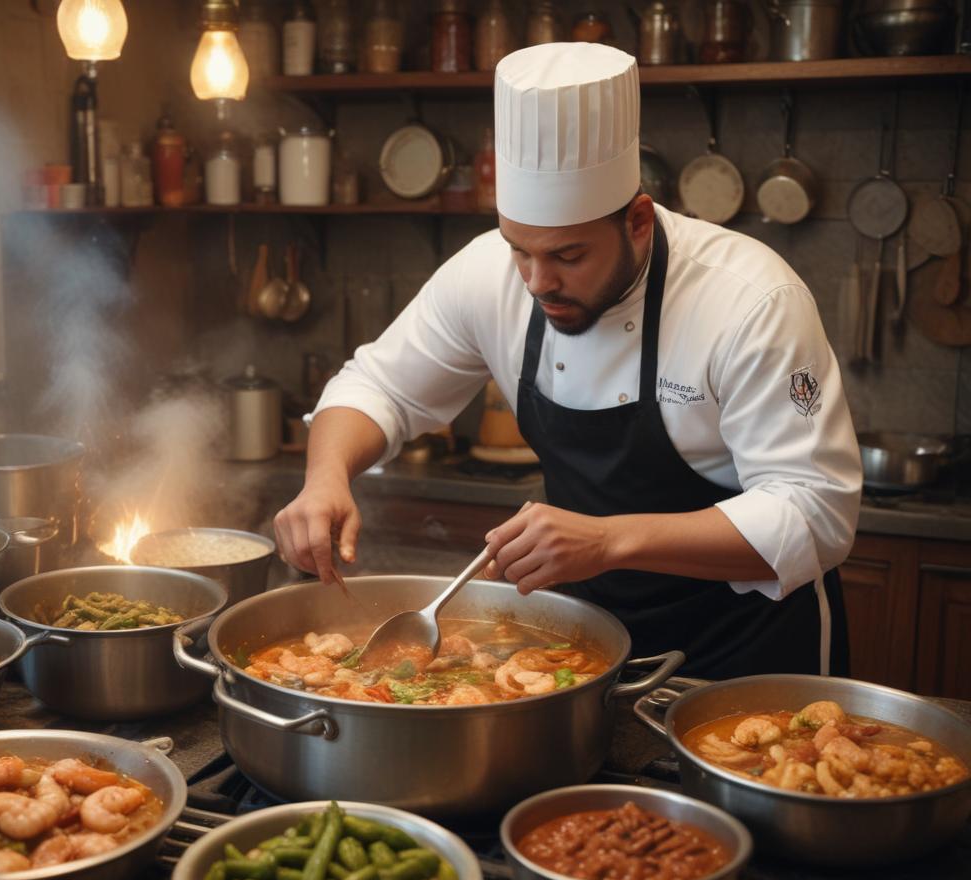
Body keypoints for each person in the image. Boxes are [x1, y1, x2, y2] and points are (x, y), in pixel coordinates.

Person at [273, 42, 862, 679]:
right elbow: (377, 385)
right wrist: (325, 477)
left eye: (569, 257)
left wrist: (608, 541)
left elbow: (815, 515)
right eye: (518, 249)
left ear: (638, 221)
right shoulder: (491, 273)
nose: (536, 281)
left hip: (751, 657)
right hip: (586, 652)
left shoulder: (749, 301)